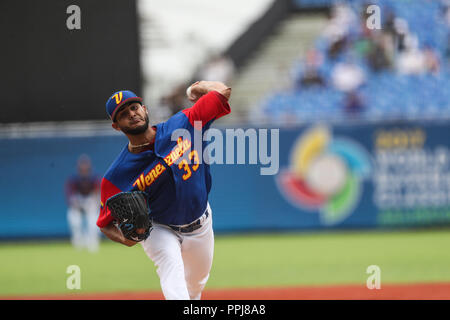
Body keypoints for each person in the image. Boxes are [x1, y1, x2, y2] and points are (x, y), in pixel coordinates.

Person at [97, 81, 231, 300]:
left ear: (145, 109)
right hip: (158, 228)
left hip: (200, 223)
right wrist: (126, 239)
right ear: (117, 126)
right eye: (122, 113)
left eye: (134, 107)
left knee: (196, 286)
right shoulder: (116, 177)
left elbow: (223, 92)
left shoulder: (183, 124)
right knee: (172, 271)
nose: (131, 114)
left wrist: (197, 89)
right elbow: (104, 224)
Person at [65, 154, 101, 252]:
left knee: (93, 221)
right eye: (82, 166)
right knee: (74, 218)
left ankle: (93, 243)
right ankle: (78, 242)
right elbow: (70, 196)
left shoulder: (94, 177)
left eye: (86, 166)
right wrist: (76, 203)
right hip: (78, 202)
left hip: (90, 202)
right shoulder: (73, 179)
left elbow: (98, 195)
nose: (84, 168)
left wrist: (92, 203)